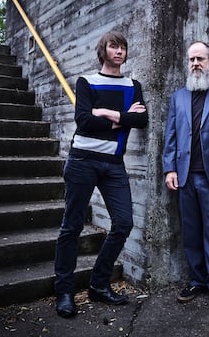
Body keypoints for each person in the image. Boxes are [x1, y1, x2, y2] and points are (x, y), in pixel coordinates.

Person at [53, 31, 148, 317]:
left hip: (114, 164)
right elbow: (83, 121)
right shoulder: (87, 82)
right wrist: (123, 118)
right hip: (83, 160)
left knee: (123, 223)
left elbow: (141, 120)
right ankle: (64, 292)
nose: (119, 51)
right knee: (72, 226)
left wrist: (106, 114)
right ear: (103, 50)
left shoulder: (133, 85)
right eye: (113, 46)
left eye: (123, 47)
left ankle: (98, 284)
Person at [162, 41, 209, 313]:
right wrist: (169, 168)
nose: (195, 63)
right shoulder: (178, 97)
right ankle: (197, 279)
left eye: (200, 59)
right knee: (191, 231)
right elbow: (170, 135)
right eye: (191, 59)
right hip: (184, 176)